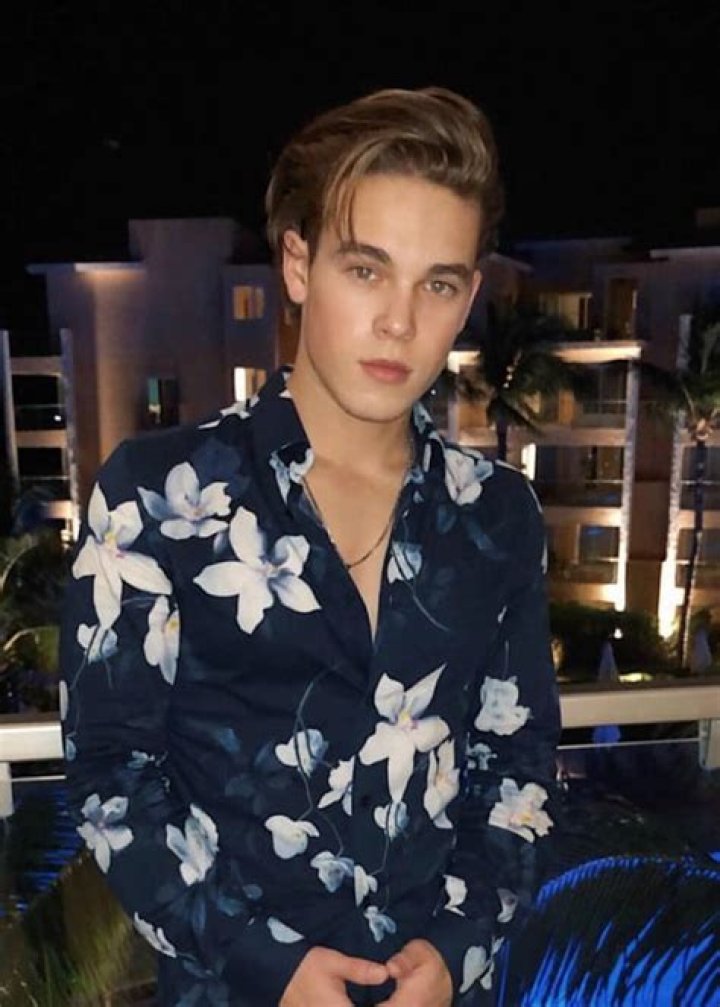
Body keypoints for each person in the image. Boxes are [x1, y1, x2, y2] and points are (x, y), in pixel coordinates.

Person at [59, 86, 561, 1006]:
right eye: (366, 269)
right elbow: (111, 775)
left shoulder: (498, 515)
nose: (400, 321)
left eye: (437, 283)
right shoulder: (158, 497)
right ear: (298, 265)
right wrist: (265, 963)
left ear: (468, 298)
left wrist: (457, 949)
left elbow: (517, 763)